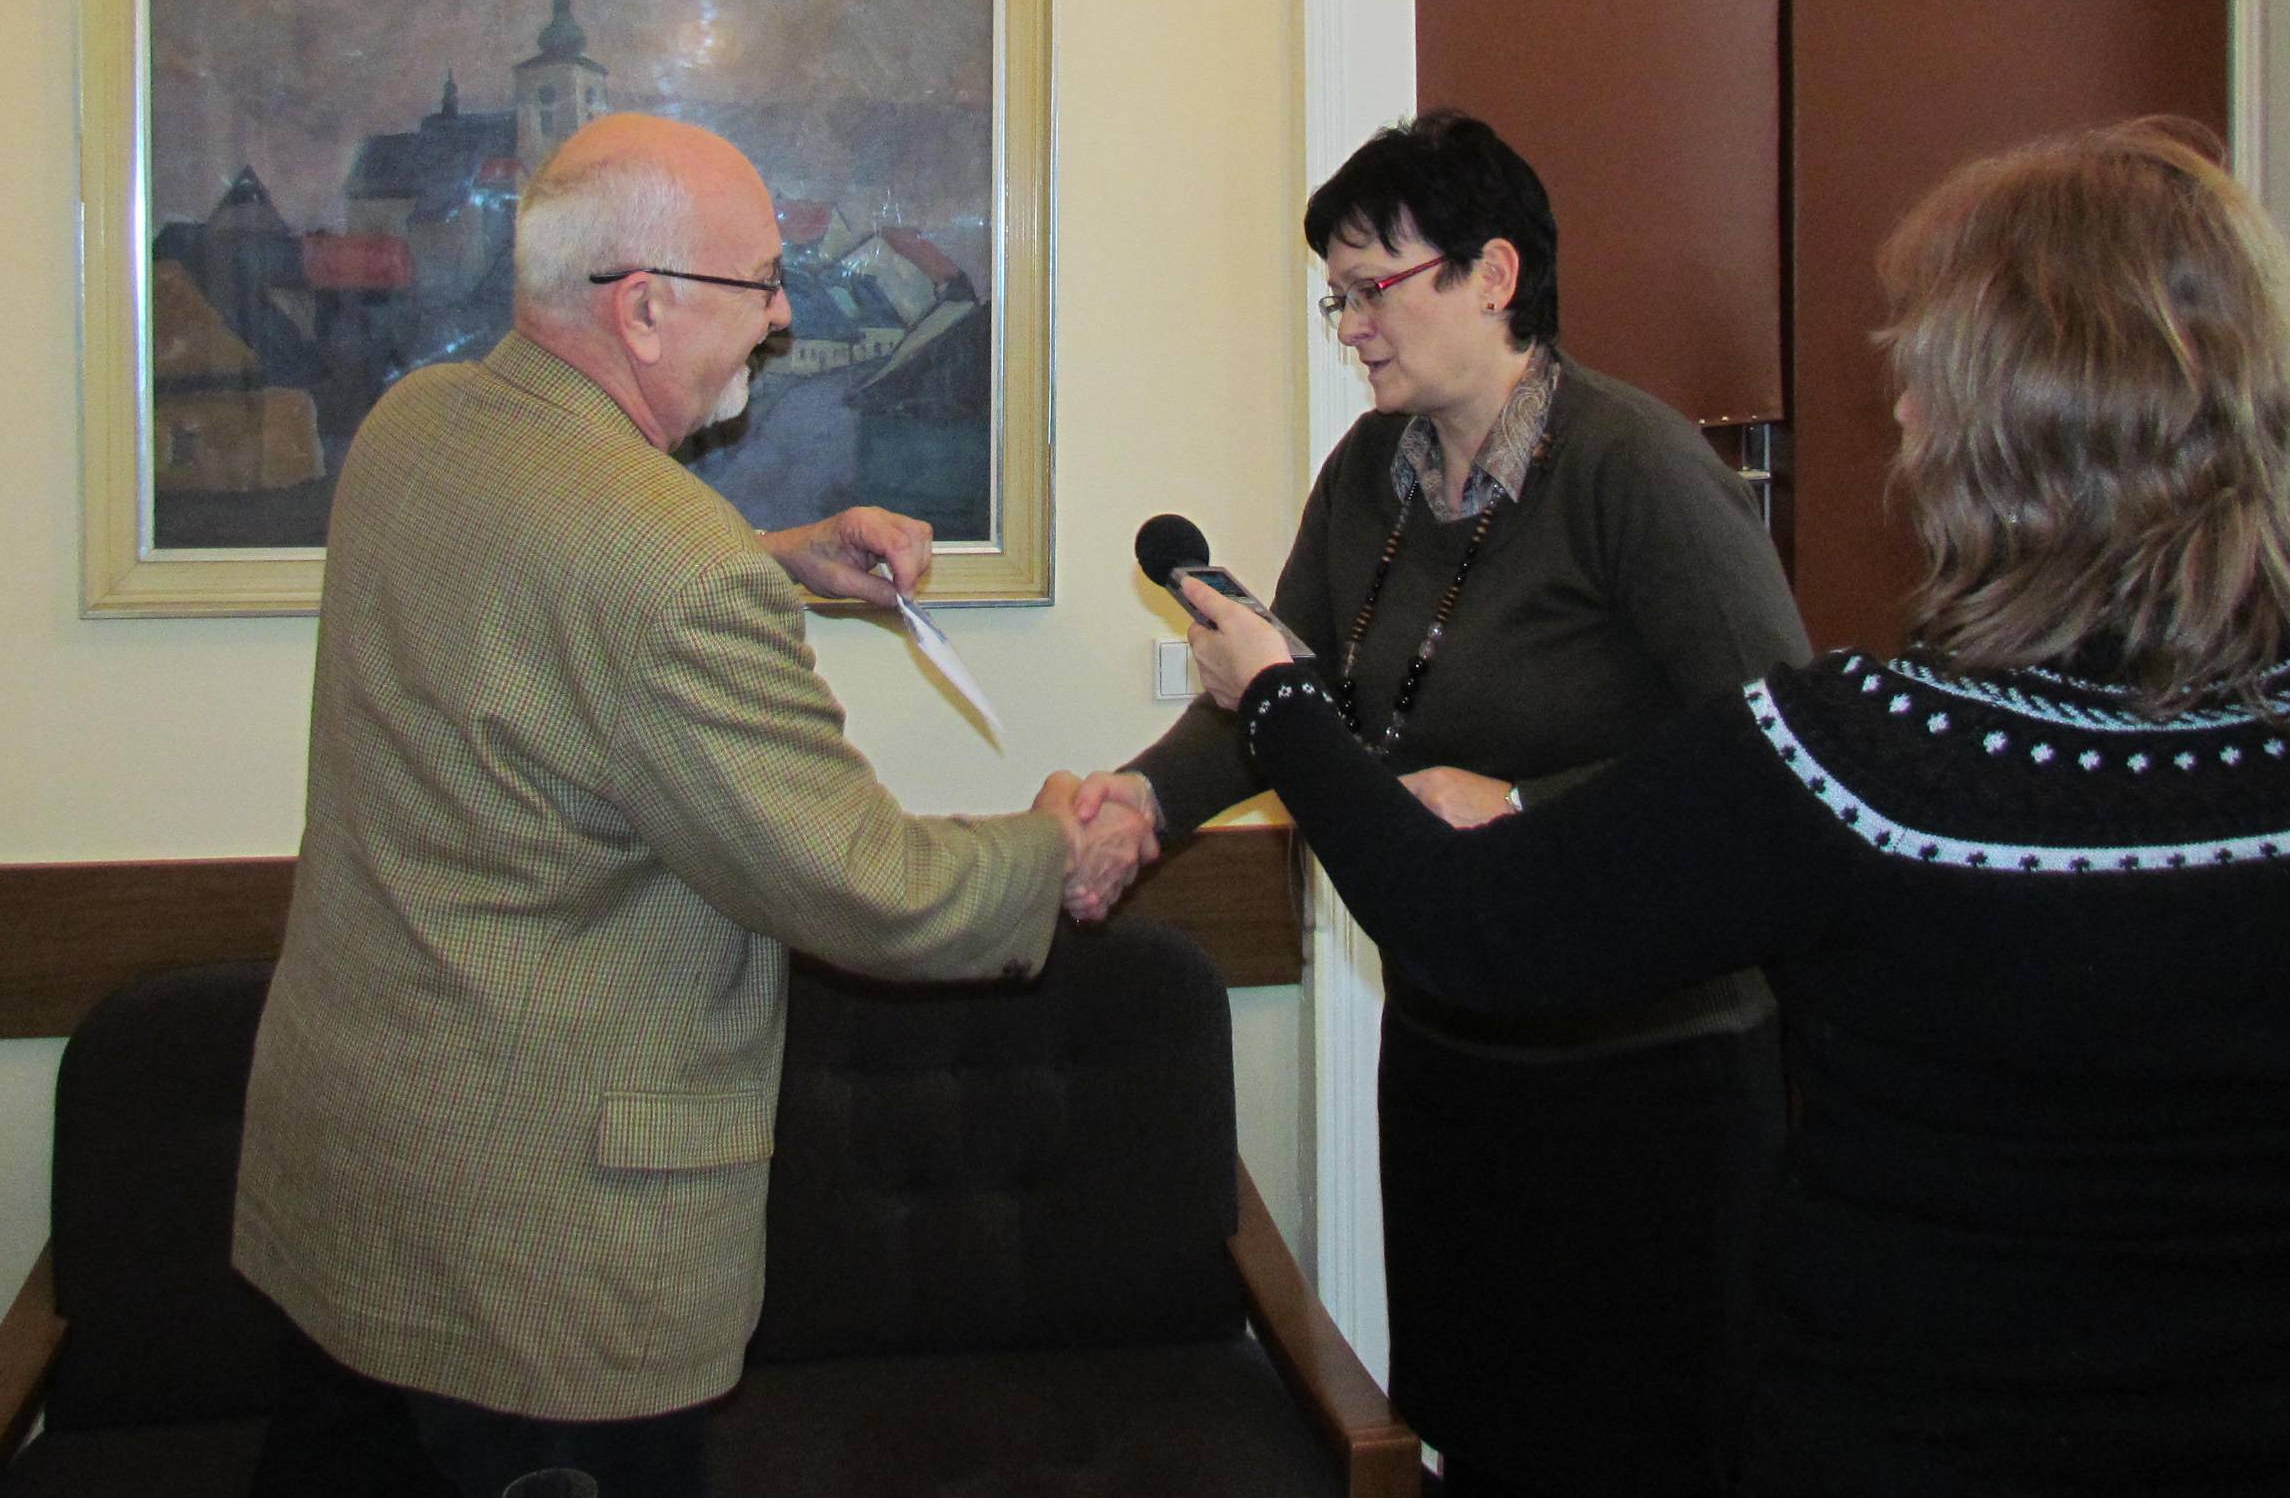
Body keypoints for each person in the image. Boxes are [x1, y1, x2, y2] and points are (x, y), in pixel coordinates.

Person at [1184, 117, 2290, 1495]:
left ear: (2002, 429)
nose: (1898, 412)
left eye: (1921, 367)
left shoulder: (1863, 759)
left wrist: (1282, 703)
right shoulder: (1377, 479)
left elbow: (1470, 923)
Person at [233, 113, 1156, 1498]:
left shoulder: (416, 425)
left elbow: (555, 570)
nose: (783, 317)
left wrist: (773, 553)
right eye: (761, 284)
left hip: (354, 1198)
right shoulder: (669, 575)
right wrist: (1052, 848)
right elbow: (859, 881)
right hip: (536, 1280)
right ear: (644, 307)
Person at [1079, 110, 1810, 1493]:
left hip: (1649, 1082)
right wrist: (1141, 800)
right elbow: (1277, 704)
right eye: (1336, 297)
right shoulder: (1372, 474)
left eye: (1374, 288)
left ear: (1493, 275)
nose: (1351, 328)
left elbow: (1774, 753)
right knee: (1476, 1428)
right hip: (1453, 1058)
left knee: (1646, 1450)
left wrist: (1528, 800)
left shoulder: (1634, 467)